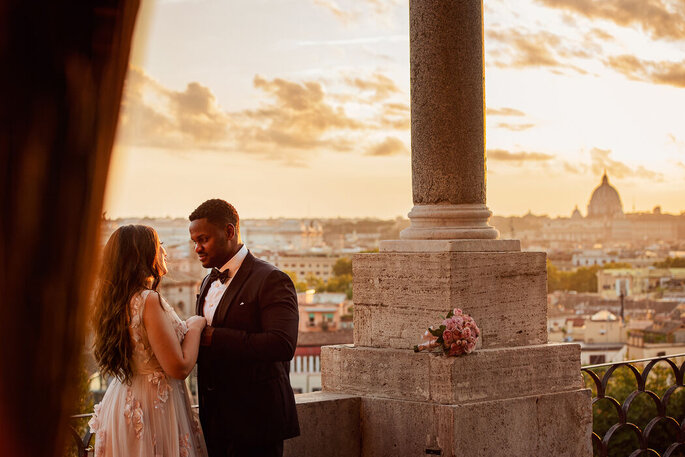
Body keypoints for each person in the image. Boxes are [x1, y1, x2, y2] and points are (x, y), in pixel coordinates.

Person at [189, 199, 299, 457]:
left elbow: (282, 344)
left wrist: (215, 337)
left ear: (229, 232)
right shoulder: (207, 282)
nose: (197, 248)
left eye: (203, 239)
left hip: (257, 419)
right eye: (194, 241)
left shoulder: (272, 279)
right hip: (215, 420)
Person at [89, 225, 209, 456]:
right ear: (142, 255)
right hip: (152, 407)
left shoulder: (114, 301)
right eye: (159, 245)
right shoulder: (148, 300)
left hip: (123, 398)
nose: (164, 251)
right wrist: (196, 325)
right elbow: (179, 366)